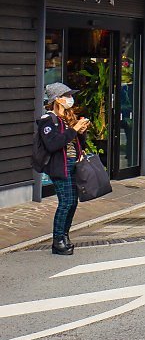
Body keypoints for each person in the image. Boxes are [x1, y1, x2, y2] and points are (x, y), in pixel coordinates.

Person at [35, 82, 90, 255]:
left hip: (73, 163)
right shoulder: (47, 120)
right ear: (57, 99)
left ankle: (65, 236)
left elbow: (76, 143)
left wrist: (81, 132)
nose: (70, 99)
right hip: (60, 166)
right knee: (65, 202)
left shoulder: (67, 119)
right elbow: (53, 144)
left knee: (73, 202)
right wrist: (73, 130)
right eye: (66, 96)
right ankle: (57, 240)